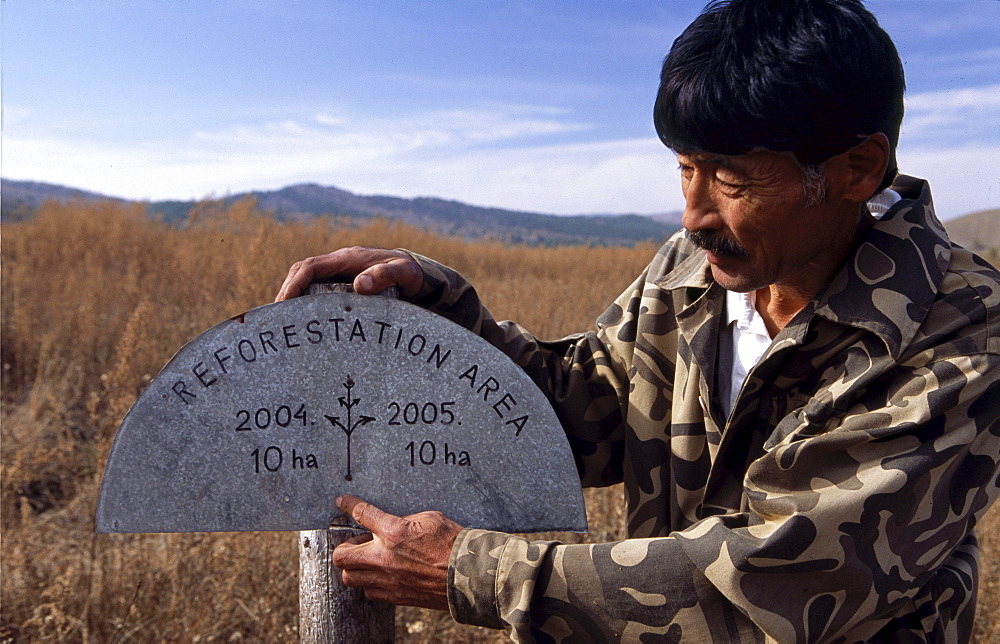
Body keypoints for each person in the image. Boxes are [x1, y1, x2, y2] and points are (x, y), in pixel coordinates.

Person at [276, 0, 1000, 640]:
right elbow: (581, 413)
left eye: (732, 178)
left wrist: (477, 571)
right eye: (685, 169)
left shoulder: (963, 333)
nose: (695, 214)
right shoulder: (690, 270)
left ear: (857, 169)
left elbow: (781, 578)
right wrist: (436, 315)